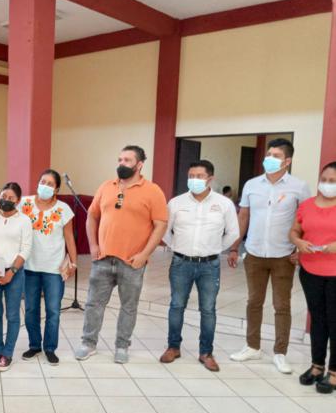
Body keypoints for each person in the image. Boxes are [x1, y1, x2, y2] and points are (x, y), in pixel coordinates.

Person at [75, 145, 168, 364]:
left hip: (132, 261)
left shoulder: (153, 191)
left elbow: (160, 225)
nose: (121, 163)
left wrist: (144, 254)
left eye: (127, 160)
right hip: (103, 259)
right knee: (94, 304)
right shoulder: (107, 186)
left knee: (128, 307)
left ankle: (122, 346)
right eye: (119, 159)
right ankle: (88, 343)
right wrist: (93, 246)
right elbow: (92, 217)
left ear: (139, 164)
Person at [229, 138, 311, 373]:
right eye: (268, 155)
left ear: (287, 161)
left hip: (283, 255)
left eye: (276, 156)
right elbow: (243, 217)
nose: (270, 159)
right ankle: (252, 346)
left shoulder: (299, 187)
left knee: (281, 305)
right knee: (254, 302)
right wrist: (234, 247)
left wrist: (299, 249)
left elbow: (304, 220)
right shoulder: (252, 184)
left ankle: (280, 352)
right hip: (254, 253)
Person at [160, 160, 239, 371]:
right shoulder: (176, 203)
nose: (194, 180)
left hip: (209, 265)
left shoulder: (224, 204)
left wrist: (216, 248)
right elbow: (165, 231)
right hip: (181, 263)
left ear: (210, 179)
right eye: (191, 176)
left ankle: (206, 352)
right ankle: (173, 347)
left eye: (199, 176)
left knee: (208, 309)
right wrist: (177, 246)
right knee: (177, 305)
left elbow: (233, 232)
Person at [20, 169, 77, 365]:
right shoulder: (24, 203)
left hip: (54, 268)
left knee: (53, 311)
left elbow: (69, 238)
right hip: (29, 266)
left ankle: (50, 348)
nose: (45, 186)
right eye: (43, 181)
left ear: (57, 189)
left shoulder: (63, 209)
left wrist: (73, 262)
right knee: (31, 309)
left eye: (50, 184)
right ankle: (34, 345)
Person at [290, 161, 336, 393]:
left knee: (335, 321)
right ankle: (317, 366)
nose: (326, 184)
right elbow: (294, 231)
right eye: (324, 180)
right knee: (317, 320)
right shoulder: (307, 205)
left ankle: (334, 372)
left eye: (332, 181)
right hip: (310, 271)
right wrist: (298, 242)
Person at [0, 182, 32, 371]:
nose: (6, 200)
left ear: (18, 201)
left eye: (11, 198)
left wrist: (11, 273)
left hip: (14, 273)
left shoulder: (24, 220)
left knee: (12, 315)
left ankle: (7, 353)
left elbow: (26, 249)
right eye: (4, 196)